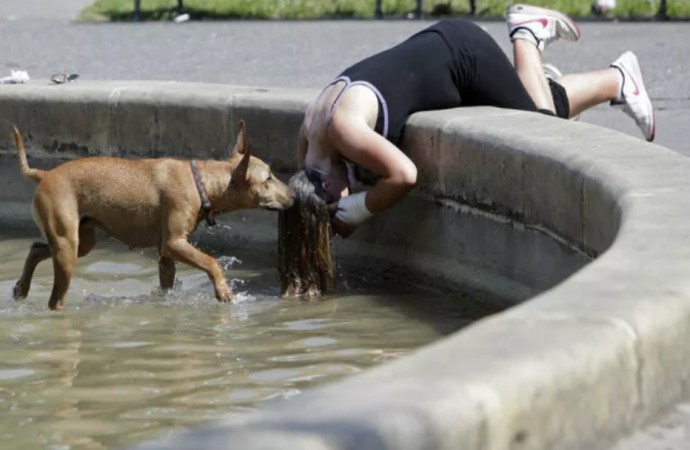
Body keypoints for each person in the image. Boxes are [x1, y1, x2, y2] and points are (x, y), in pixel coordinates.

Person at [278, 3, 655, 296]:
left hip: (461, 55)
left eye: (333, 204)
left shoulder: (342, 130)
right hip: (436, 49)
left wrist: (360, 210)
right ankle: (584, 78)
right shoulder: (309, 132)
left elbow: (405, 175)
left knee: (541, 128)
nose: (338, 203)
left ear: (325, 189)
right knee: (536, 105)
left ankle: (539, 39)